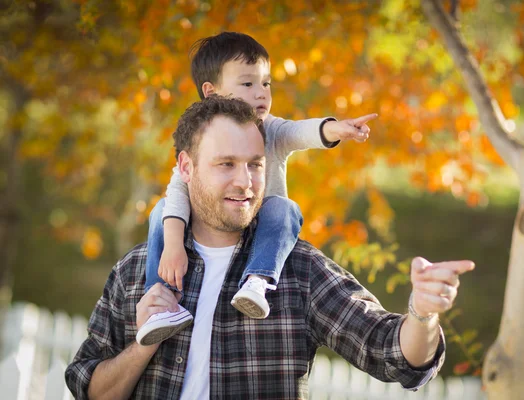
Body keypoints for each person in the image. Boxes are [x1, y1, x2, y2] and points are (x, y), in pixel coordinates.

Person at [65, 96, 475, 400]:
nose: (245, 181)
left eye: (255, 164)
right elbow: (90, 389)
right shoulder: (137, 270)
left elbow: (395, 356)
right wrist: (144, 342)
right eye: (226, 164)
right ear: (186, 168)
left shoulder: (299, 270)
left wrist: (422, 314)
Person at [137, 31, 378, 346]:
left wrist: (335, 128)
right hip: (214, 222)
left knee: (284, 208)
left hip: (261, 228)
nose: (262, 93)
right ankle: (162, 298)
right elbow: (178, 192)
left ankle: (257, 281)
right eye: (248, 84)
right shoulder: (201, 137)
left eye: (266, 83)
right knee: (162, 210)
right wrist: (173, 246)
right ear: (211, 92)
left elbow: (301, 131)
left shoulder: (272, 129)